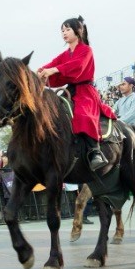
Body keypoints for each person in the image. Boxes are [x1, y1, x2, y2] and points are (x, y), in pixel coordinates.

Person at [37, 16, 116, 171]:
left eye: (67, 29)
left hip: (85, 91)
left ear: (78, 31)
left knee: (83, 114)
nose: (64, 33)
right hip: (70, 90)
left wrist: (54, 70)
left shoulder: (86, 50)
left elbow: (77, 65)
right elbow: (52, 63)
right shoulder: (65, 54)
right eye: (62, 30)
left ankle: (95, 151)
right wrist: (37, 73)